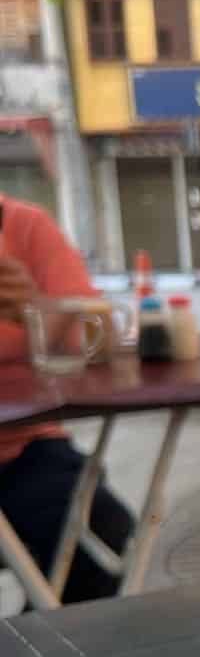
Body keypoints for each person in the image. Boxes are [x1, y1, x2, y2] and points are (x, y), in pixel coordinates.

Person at [0, 196, 133, 603]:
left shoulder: (23, 226)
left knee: (98, 524)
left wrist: (36, 310)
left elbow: (99, 339)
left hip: (22, 448)